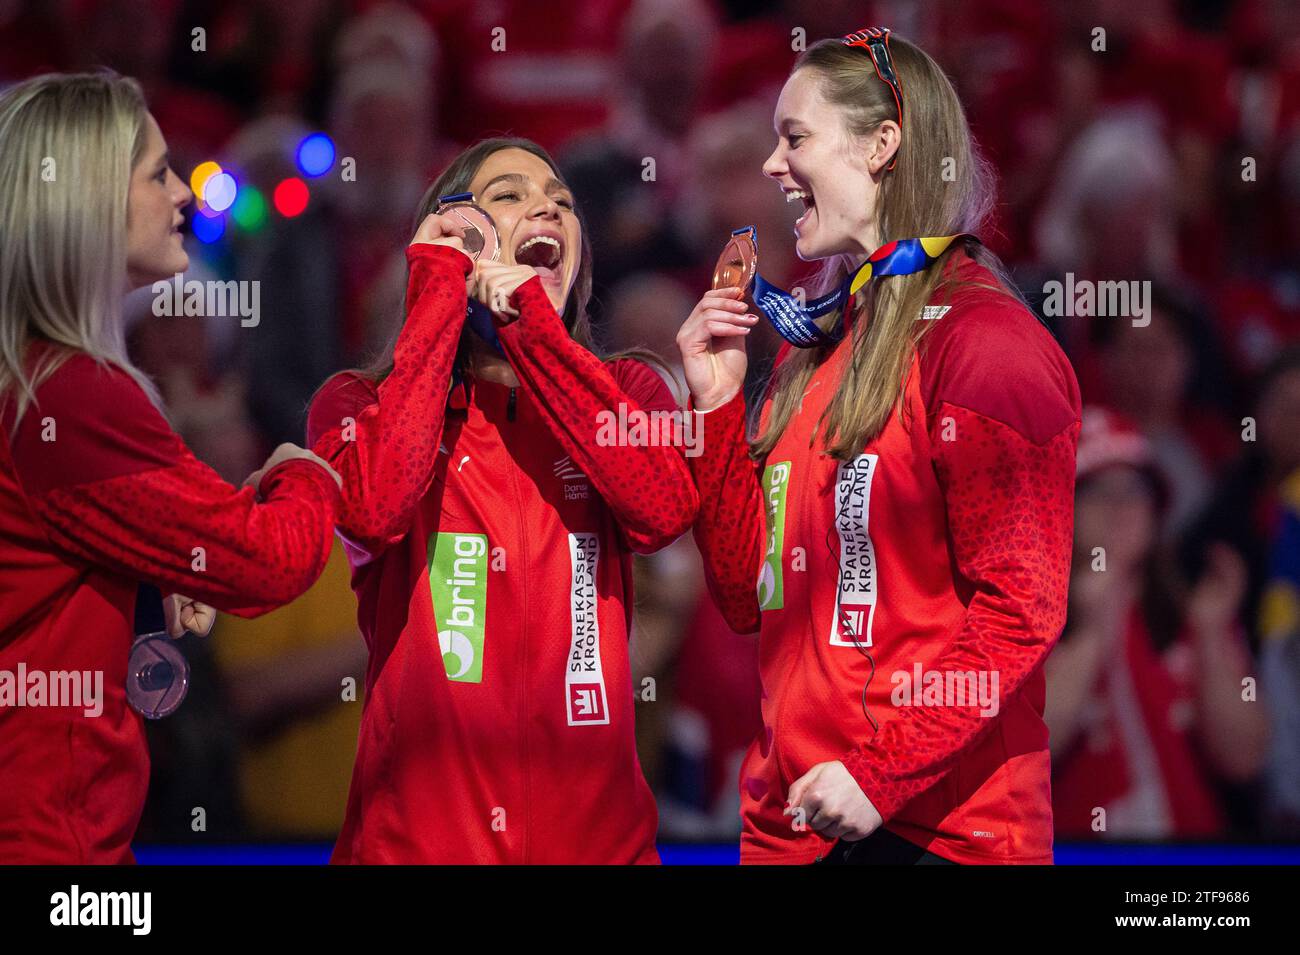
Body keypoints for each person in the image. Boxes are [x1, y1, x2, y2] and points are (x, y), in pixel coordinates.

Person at [678, 27, 1081, 864]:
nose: (770, 165)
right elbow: (747, 595)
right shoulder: (814, 342)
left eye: (794, 138)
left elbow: (1021, 610)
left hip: (939, 832)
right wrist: (717, 407)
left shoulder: (984, 345)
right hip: (796, 828)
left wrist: (878, 772)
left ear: (881, 146)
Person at [306, 137, 699, 863]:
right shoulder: (355, 402)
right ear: (457, 238)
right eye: (510, 195)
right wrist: (437, 292)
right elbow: (376, 506)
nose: (547, 204)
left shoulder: (630, 393)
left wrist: (528, 323)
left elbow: (663, 509)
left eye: (561, 200)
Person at [0, 72, 342, 863]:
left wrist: (158, 576)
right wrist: (307, 469)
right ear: (85, 199)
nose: (183, 197)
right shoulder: (74, 389)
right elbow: (269, 559)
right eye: (157, 174)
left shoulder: (34, 375)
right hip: (48, 843)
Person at [1047, 408, 1268, 840]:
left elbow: (1245, 758)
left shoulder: (1194, 612)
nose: (1120, 507)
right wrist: (1092, 627)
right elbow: (1035, 746)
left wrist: (1208, 633)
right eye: (1097, 490)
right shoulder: (1029, 620)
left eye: (1135, 490)